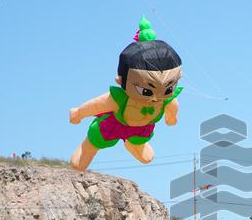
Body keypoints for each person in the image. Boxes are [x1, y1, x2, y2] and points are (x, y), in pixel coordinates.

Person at [69, 17, 183, 170]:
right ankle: (86, 150)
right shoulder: (118, 99)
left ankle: (135, 145)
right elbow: (96, 105)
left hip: (141, 128)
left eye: (168, 88)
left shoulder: (166, 100)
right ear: (121, 80)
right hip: (114, 124)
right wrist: (79, 113)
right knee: (98, 139)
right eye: (146, 91)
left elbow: (172, 109)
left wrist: (172, 118)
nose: (155, 97)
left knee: (140, 142)